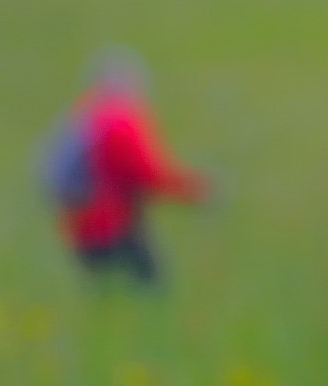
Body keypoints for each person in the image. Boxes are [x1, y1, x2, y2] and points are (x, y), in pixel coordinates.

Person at [44, 54, 206, 284]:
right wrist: (195, 189)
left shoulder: (84, 113)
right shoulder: (119, 121)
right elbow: (146, 173)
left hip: (79, 223)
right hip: (109, 222)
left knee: (107, 294)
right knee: (150, 288)